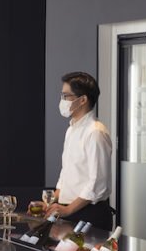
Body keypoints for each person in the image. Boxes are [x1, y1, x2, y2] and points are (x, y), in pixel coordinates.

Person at [45, 71, 114, 231]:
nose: (62, 101)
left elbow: (97, 184)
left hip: (88, 213)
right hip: (68, 210)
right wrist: (50, 203)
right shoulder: (72, 129)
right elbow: (67, 174)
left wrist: (68, 209)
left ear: (82, 100)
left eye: (66, 96)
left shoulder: (95, 132)